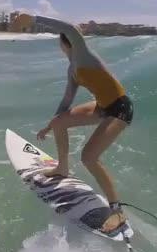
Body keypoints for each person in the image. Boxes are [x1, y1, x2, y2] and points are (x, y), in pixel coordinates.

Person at [24, 14, 134, 234]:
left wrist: (32, 18)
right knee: (59, 122)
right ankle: (62, 168)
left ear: (64, 43)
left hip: (120, 108)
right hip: (102, 106)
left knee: (89, 157)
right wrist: (51, 124)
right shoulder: (72, 69)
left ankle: (117, 210)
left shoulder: (84, 56)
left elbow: (70, 29)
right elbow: (66, 101)